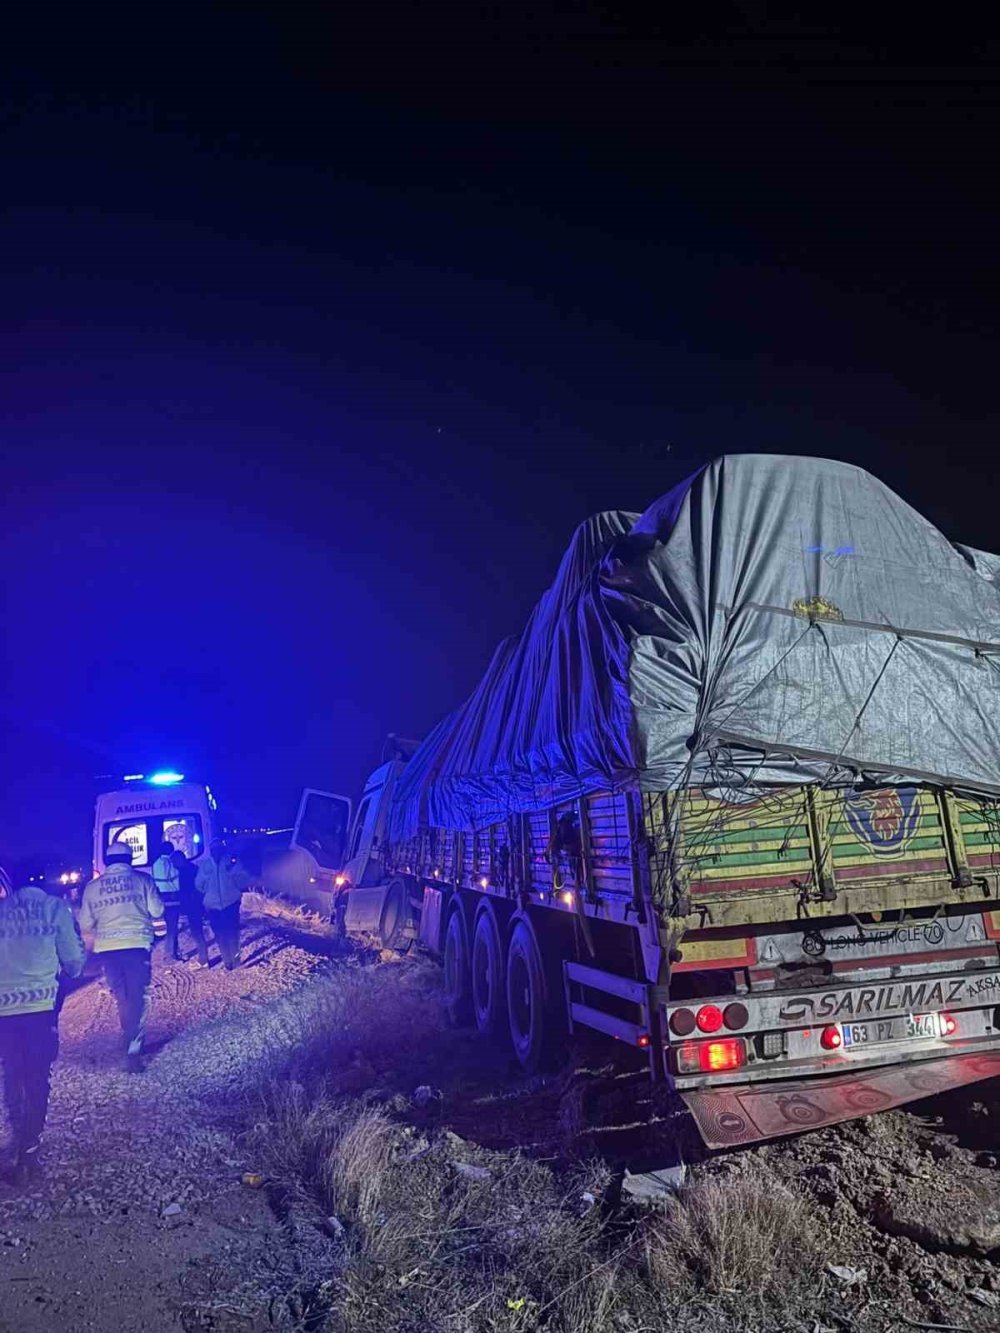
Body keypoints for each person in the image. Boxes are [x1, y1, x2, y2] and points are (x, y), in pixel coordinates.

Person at [0, 861, 86, 1183]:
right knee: (37, 1077)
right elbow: (74, 962)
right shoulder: (55, 909)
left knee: (13, 1071)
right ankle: (28, 1152)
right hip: (40, 1010)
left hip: (3, 1012)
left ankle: (17, 1127)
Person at [78, 843, 163, 1072]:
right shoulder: (142, 880)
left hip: (108, 950)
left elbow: (85, 923)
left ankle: (129, 1035)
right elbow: (157, 911)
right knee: (139, 996)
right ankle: (133, 1047)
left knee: (122, 996)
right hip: (137, 946)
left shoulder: (92, 887)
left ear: (107, 860)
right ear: (130, 859)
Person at [195, 838, 250, 971]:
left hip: (231, 903)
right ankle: (227, 961)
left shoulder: (232, 862)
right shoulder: (205, 865)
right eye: (214, 849)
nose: (216, 852)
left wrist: (233, 874)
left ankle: (236, 960)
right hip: (213, 906)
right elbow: (198, 885)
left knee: (232, 934)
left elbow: (243, 880)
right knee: (220, 935)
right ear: (211, 850)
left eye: (219, 849)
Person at [172, 848, 210, 968]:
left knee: (197, 932)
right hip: (196, 904)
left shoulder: (186, 872)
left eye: (174, 862)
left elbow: (189, 891)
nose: (173, 865)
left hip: (194, 905)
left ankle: (204, 960)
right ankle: (203, 959)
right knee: (197, 932)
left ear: (179, 860)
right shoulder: (192, 868)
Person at [151, 841, 183, 961]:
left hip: (160, 898)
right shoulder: (171, 863)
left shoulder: (155, 864)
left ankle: (173, 952)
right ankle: (170, 954)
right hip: (172, 898)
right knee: (172, 928)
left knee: (167, 927)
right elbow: (176, 881)